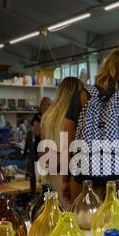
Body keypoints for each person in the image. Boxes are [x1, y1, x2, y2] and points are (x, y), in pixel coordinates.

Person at [63, 41, 119, 204]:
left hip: (84, 185)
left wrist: (64, 181)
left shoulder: (80, 97)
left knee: (83, 229)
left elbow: (66, 145)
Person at [40, 77, 84, 208]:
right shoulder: (75, 116)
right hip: (68, 178)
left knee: (52, 218)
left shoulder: (47, 115)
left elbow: (44, 153)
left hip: (49, 176)